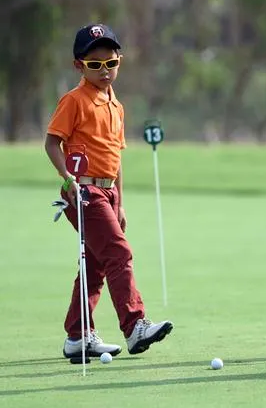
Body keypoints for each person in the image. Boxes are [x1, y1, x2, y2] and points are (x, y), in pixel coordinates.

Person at [44, 24, 173, 359]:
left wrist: (121, 202)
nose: (104, 71)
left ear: (119, 61)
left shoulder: (116, 105)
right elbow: (52, 142)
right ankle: (135, 325)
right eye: (95, 65)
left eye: (110, 63)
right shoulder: (74, 100)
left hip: (107, 192)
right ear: (79, 66)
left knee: (96, 265)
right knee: (118, 253)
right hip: (82, 191)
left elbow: (116, 159)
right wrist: (67, 179)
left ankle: (78, 336)